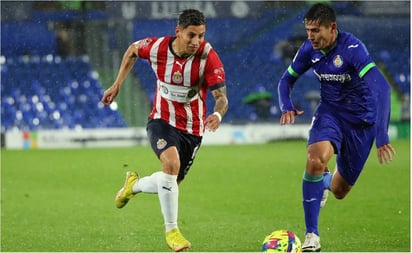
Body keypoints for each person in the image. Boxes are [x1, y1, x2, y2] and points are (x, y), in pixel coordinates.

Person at [101, 9, 228, 252]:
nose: (196, 42)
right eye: (191, 35)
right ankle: (172, 231)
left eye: (201, 36)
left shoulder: (208, 56)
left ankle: (133, 186)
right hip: (161, 120)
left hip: (192, 130)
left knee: (170, 182)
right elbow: (132, 50)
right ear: (178, 32)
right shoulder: (157, 47)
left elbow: (221, 97)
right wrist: (117, 84)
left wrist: (218, 113)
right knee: (170, 166)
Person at [277, 3, 396, 252]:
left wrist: (382, 134)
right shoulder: (309, 48)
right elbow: (286, 80)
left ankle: (324, 183)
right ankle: (312, 235)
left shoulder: (353, 49)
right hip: (330, 113)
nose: (311, 36)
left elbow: (382, 88)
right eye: (308, 30)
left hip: (362, 123)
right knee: (315, 160)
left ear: (332, 28)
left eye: (316, 30)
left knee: (340, 190)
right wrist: (286, 103)